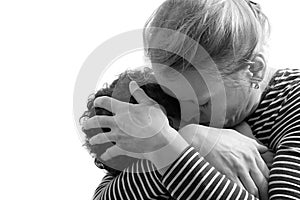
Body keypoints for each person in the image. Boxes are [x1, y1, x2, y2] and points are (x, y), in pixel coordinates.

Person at [83, 0, 300, 199]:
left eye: (203, 103)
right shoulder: (171, 113)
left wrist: (168, 148)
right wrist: (183, 141)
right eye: (175, 99)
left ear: (255, 70)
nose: (190, 116)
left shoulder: (292, 101)